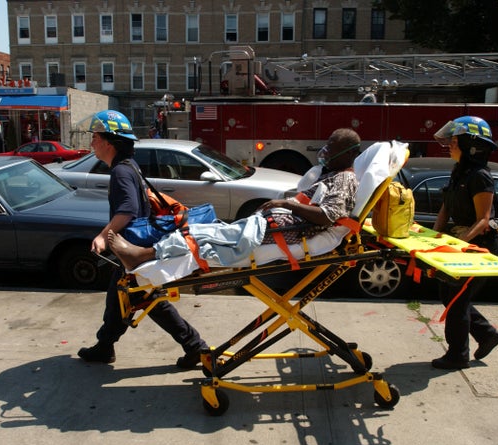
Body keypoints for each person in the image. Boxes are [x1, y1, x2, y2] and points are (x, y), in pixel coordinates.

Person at [104, 128, 362, 272]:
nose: (325, 152)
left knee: (202, 238)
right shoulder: (332, 174)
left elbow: (327, 216)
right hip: (276, 225)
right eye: (327, 144)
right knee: (205, 230)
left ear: (348, 154)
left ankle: (144, 255)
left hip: (289, 231)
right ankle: (146, 253)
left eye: (332, 148)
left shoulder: (344, 180)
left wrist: (285, 204)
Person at [77, 110, 208, 369]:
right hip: (132, 247)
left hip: (132, 248)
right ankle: (105, 346)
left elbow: (127, 209)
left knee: (149, 300)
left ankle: (196, 347)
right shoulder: (128, 166)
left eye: (95, 137)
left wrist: (104, 236)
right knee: (123, 298)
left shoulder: (121, 172)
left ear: (108, 141)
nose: (91, 142)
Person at [430, 115, 498, 370]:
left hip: (478, 247)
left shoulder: (480, 176)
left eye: (454, 141)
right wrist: (433, 239)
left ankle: (457, 355)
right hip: (459, 243)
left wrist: (459, 244)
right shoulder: (459, 172)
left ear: (470, 145)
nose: (449, 146)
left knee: (457, 300)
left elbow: (483, 220)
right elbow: (445, 209)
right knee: (447, 294)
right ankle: (487, 334)